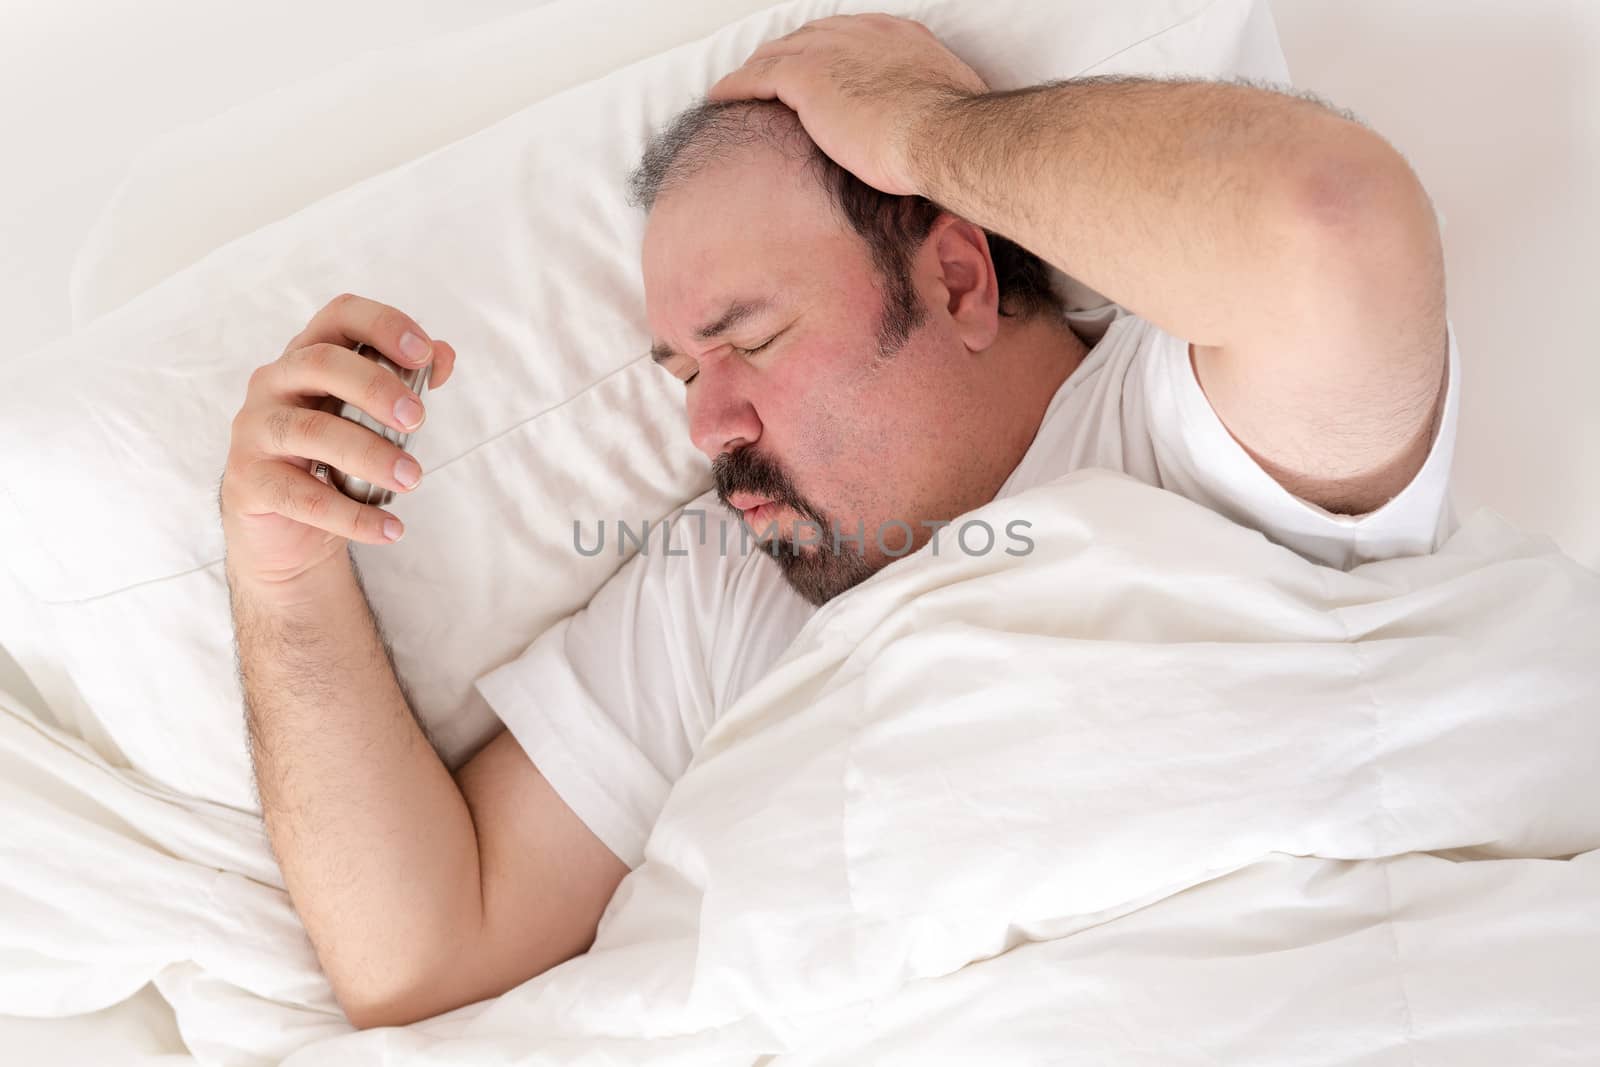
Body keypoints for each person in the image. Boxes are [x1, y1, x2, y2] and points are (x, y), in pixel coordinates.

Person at [218, 14, 1456, 1031]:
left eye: (749, 341)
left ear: (960, 278)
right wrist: (287, 578)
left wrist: (926, 129)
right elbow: (429, 952)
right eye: (678, 371)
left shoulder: (1189, 422)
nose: (708, 422)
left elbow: (1328, 223)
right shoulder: (734, 582)